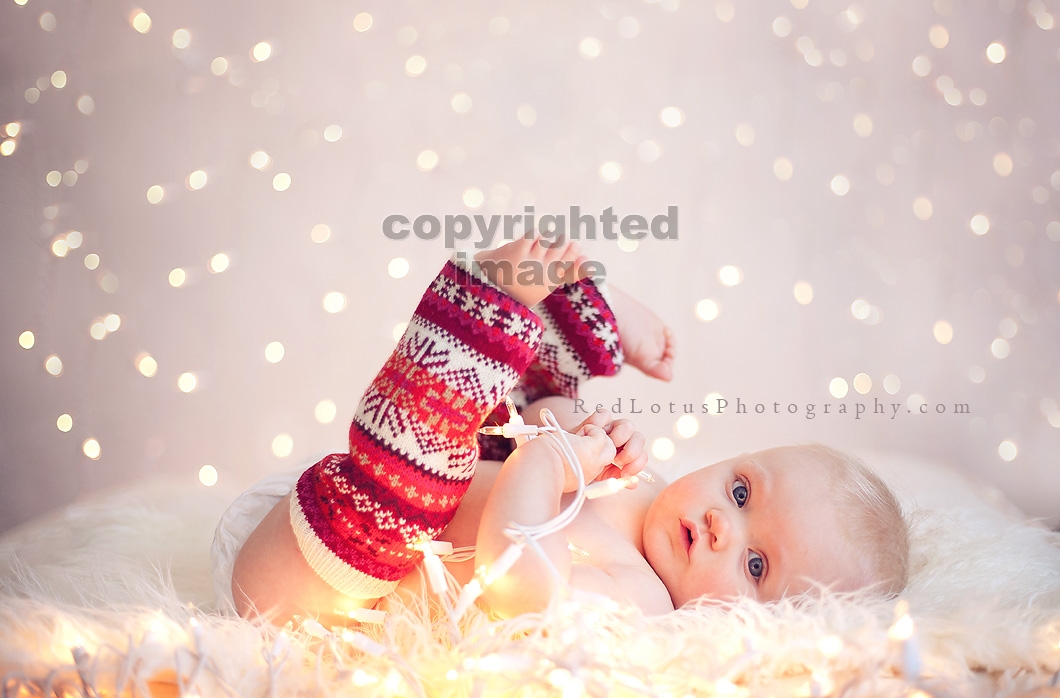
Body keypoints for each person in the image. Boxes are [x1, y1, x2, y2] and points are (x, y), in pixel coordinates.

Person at [227, 236, 908, 624]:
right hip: (423, 474)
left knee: (419, 474)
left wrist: (547, 467)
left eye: (756, 565)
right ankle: (580, 323)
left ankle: (490, 308)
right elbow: (538, 429)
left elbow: (517, 584)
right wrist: (574, 424)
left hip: (331, 567)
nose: (725, 525)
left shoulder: (643, 596)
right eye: (739, 491)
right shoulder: (649, 485)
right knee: (521, 406)